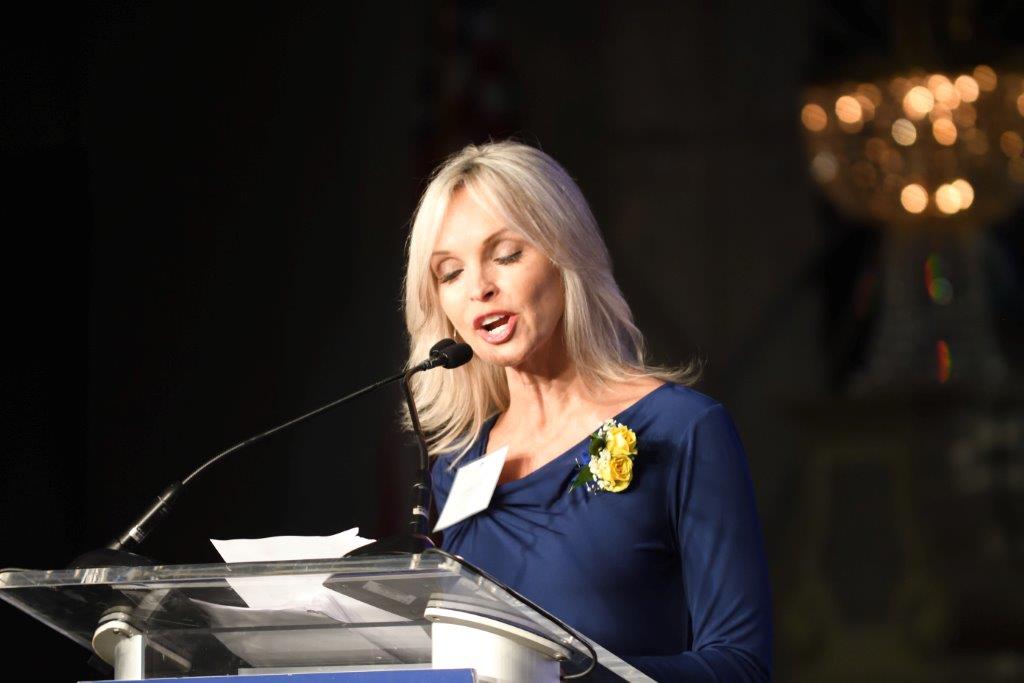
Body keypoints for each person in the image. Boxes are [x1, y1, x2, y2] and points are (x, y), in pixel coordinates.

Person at [403, 140, 772, 681]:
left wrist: (563, 678)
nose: (479, 287)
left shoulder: (683, 430)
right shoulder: (455, 466)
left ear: (566, 254)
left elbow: (741, 666)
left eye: (505, 255)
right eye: (450, 272)